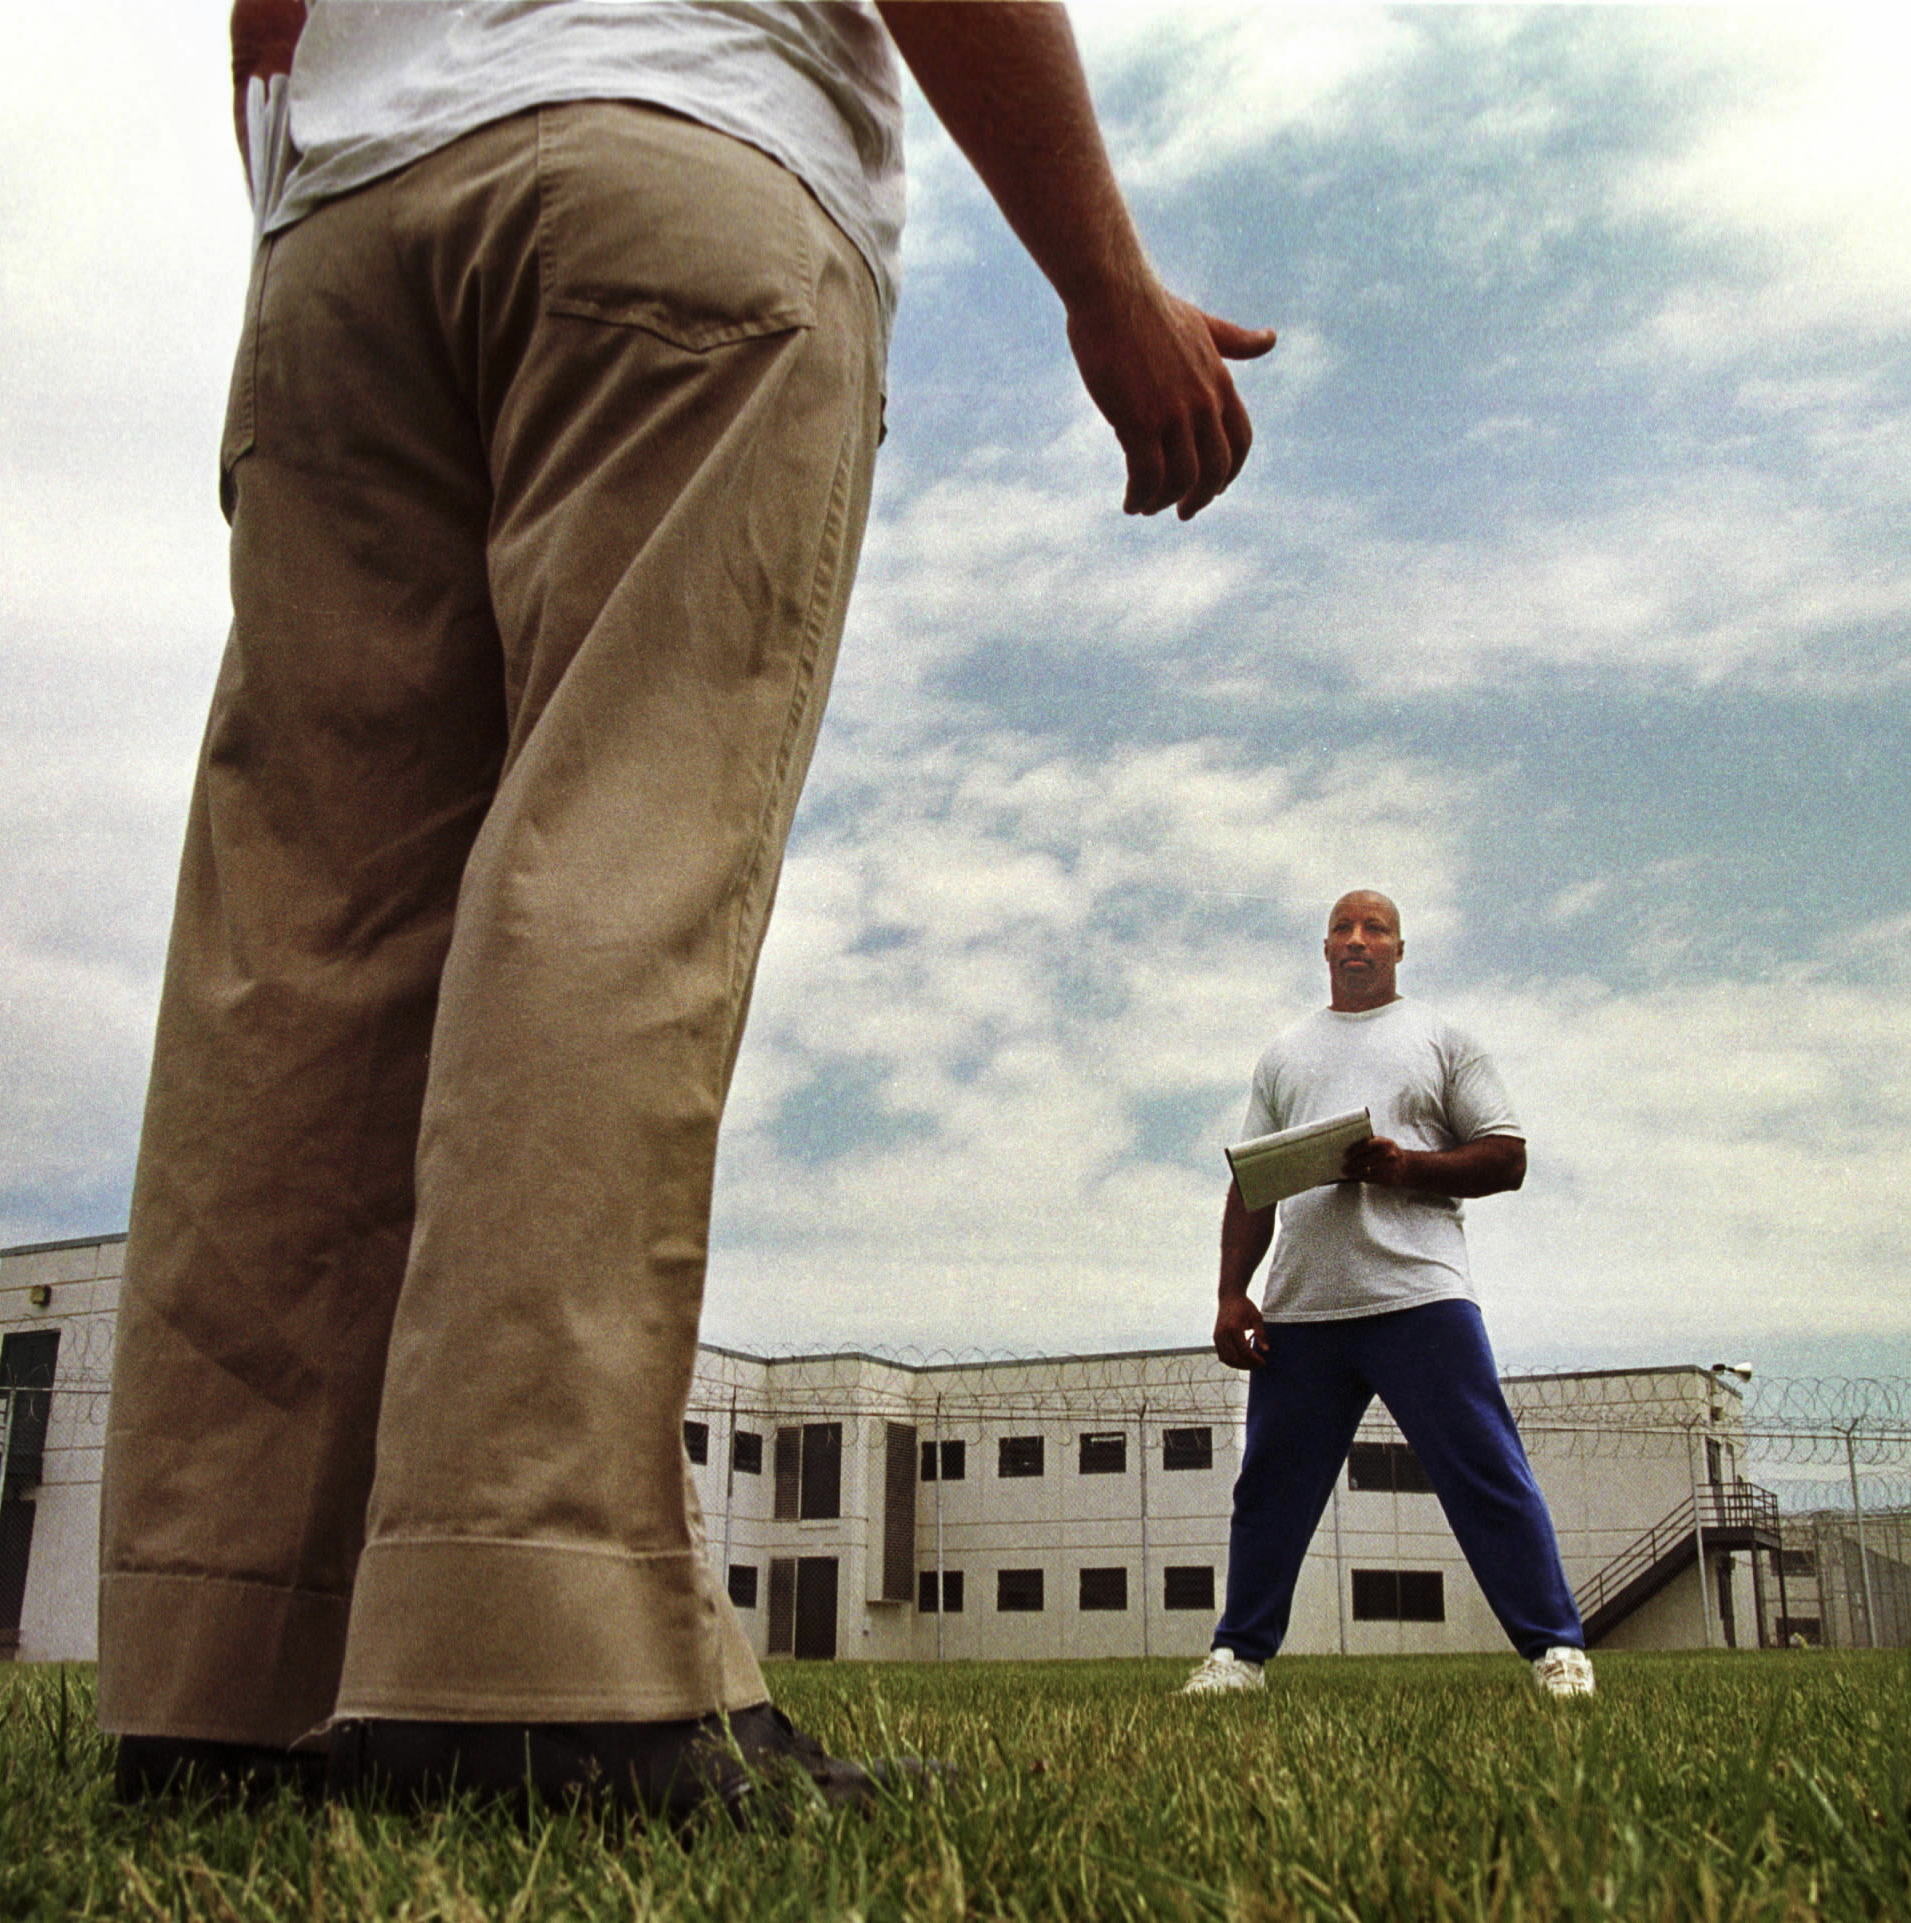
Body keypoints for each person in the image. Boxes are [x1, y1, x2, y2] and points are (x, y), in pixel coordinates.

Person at [101, 0, 1272, 1814]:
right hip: (668, 163)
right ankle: (526, 1649)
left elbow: (267, 18)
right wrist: (1102, 283)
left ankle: (224, 1667)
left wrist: (327, 213)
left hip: (339, 232)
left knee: (299, 946)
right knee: (611, 857)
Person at [1183, 892, 1596, 1701]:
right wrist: (1232, 1294)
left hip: (1419, 1295)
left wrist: (1407, 1167)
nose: (1358, 940)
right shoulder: (1284, 1055)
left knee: (1484, 1468)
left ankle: (1556, 1647)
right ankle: (1239, 1657)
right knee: (1270, 1484)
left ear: (1400, 948)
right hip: (1305, 1306)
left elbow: (1506, 1157)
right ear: (1325, 948)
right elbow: (1252, 1184)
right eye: (1343, 928)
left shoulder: (1442, 1039)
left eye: (1375, 928)